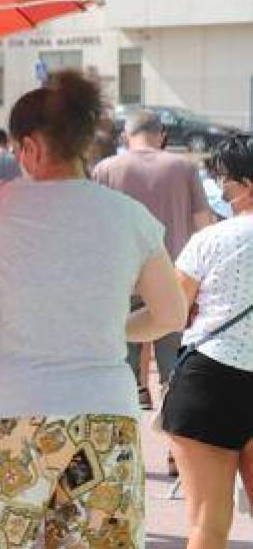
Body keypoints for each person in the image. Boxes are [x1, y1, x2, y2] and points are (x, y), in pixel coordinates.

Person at [0, 71, 187, 549]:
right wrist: (116, 329)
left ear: (28, 146)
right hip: (105, 415)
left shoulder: (0, 203)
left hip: (11, 415)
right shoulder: (129, 216)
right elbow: (170, 314)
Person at [156, 136, 253, 549]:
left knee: (207, 525)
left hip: (209, 378)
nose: (221, 189)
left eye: (225, 181)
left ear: (246, 185)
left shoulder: (211, 239)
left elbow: (172, 311)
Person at [93, 108, 213, 412]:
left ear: (125, 136)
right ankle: (175, 451)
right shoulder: (183, 168)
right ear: (162, 136)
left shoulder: (106, 169)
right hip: (175, 279)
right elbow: (205, 224)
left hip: (119, 279)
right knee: (174, 370)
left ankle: (129, 423)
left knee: (120, 368)